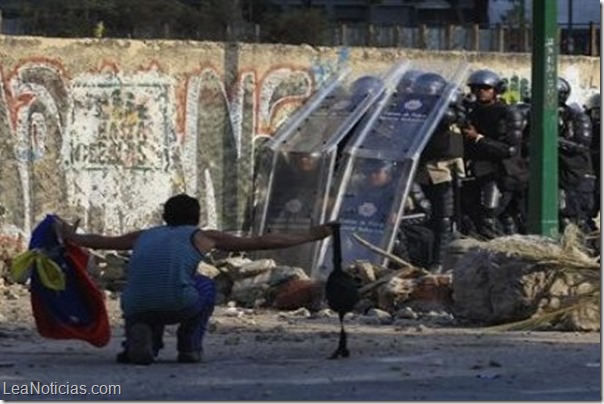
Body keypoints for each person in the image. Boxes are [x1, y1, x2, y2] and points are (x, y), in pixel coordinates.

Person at [54, 193, 334, 366]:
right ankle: (189, 346)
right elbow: (263, 240)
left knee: (145, 291)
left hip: (134, 306)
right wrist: (314, 234)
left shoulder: (143, 236)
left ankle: (140, 341)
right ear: (197, 218)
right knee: (204, 285)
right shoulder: (203, 236)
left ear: (164, 217)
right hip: (178, 303)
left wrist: (69, 234)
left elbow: (99, 241)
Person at [461, 69, 528, 239]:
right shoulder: (472, 111)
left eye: (485, 88)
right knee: (476, 217)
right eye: (476, 88)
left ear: (496, 90)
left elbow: (509, 149)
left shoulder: (508, 113)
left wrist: (478, 138)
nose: (480, 92)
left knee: (490, 217)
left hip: (503, 173)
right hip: (479, 172)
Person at [412, 72, 465, 272]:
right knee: (420, 217)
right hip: (417, 170)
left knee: (443, 219)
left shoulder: (445, 112)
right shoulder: (415, 110)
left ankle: (439, 261)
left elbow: (451, 118)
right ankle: (422, 258)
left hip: (440, 171)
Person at [557, 78, 596, 234]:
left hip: (578, 175)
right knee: (563, 217)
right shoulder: (541, 116)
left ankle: (591, 252)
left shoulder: (577, 117)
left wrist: (554, 140)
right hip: (560, 175)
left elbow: (581, 146)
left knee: (578, 220)